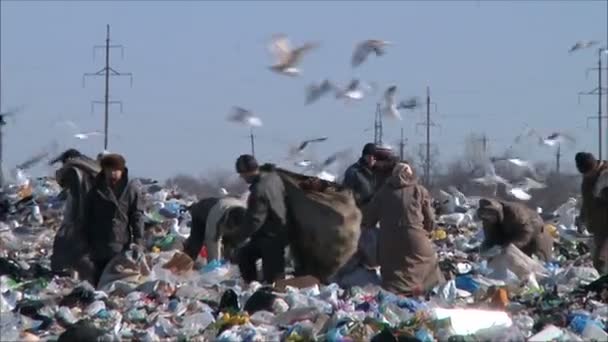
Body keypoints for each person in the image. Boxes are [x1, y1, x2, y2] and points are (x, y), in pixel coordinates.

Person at [362, 162, 444, 295]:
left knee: (393, 272)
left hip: (389, 243)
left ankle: (396, 291)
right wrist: (427, 231)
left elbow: (368, 220)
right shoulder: (419, 190)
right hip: (415, 241)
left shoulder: (383, 192)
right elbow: (430, 221)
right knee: (429, 265)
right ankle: (424, 290)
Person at [83, 153, 145, 286]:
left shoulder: (130, 189)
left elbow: (137, 215)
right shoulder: (95, 190)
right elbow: (86, 215)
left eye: (116, 170)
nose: (113, 173)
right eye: (109, 170)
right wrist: (85, 240)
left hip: (121, 241)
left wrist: (138, 240)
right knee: (99, 278)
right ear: (104, 170)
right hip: (98, 243)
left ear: (122, 171)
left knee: (117, 278)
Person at [231, 154, 288, 284]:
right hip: (280, 231)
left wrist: (237, 238)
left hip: (271, 236)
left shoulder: (259, 189)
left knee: (273, 279)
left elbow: (255, 220)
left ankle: (264, 291)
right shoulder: (273, 177)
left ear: (247, 172)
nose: (242, 177)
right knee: (245, 255)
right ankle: (253, 287)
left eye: (242, 174)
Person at [49, 149, 101, 278]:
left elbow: (67, 186)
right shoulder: (93, 170)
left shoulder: (73, 171)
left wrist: (73, 222)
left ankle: (60, 275)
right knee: (83, 250)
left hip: (79, 218)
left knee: (64, 247)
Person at [477, 198, 553, 261]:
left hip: (535, 232)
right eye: (485, 215)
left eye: (490, 214)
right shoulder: (488, 221)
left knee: (530, 257)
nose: (489, 217)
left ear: (497, 212)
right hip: (510, 234)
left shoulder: (516, 213)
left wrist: (507, 247)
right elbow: (491, 237)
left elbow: (525, 233)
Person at [183, 196, 247, 263]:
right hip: (201, 214)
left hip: (223, 212)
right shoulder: (216, 217)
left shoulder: (248, 218)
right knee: (195, 244)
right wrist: (214, 266)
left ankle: (230, 262)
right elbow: (213, 242)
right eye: (231, 226)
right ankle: (182, 265)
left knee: (232, 246)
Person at [575, 152, 608, 274]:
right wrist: (582, 218)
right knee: (598, 262)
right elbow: (587, 201)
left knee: (602, 260)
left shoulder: (605, 175)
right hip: (598, 228)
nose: (587, 176)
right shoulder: (587, 179)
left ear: (595, 166)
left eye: (589, 173)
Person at [343, 143, 378, 208]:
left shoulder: (378, 172)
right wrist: (361, 199)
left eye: (374, 156)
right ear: (364, 156)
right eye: (369, 156)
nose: (371, 158)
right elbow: (346, 193)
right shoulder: (353, 172)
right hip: (359, 210)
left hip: (375, 212)